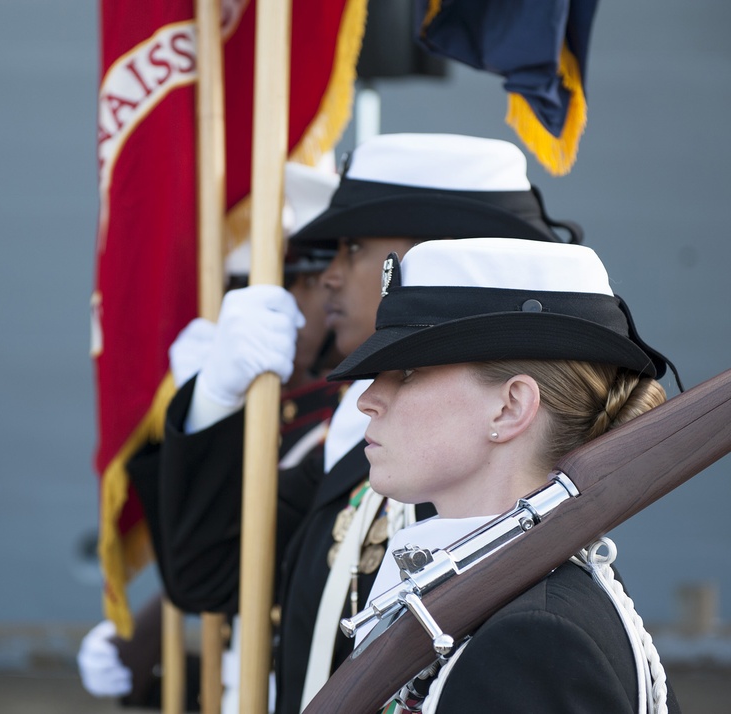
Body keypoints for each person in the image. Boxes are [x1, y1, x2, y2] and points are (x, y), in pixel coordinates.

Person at [156, 133, 583, 714]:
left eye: (353, 248)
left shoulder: (470, 454)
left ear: (439, 254)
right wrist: (213, 400)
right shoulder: (362, 441)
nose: (330, 275)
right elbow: (212, 572)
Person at [334, 238, 680, 712]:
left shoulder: (534, 640)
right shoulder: (517, 602)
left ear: (510, 406)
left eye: (409, 371)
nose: (366, 399)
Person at [77, 162, 346, 711]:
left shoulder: (345, 421)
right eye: (234, 293)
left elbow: (265, 561)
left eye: (292, 287)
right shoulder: (261, 416)